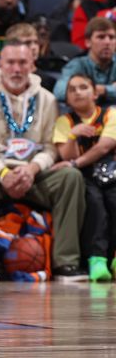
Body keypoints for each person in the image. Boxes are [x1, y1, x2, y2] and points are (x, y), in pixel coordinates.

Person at [0, 40, 87, 283]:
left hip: (34, 174)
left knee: (70, 178)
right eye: (11, 63)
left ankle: (66, 263)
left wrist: (33, 168)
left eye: (22, 63)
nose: (16, 69)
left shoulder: (47, 99)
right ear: (0, 65)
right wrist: (2, 172)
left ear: (33, 65)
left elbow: (51, 146)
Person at [53, 73, 116, 281]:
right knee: (95, 203)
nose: (77, 92)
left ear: (95, 93)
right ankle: (96, 259)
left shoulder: (110, 114)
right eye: (72, 90)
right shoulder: (65, 121)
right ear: (67, 99)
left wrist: (73, 163)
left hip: (111, 173)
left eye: (83, 87)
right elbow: (65, 155)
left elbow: (104, 146)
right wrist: (73, 135)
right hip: (84, 177)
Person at [54, 17, 116, 107]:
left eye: (111, 37)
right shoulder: (77, 65)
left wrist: (103, 90)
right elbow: (59, 91)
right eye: (101, 37)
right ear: (88, 42)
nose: (107, 42)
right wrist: (101, 90)